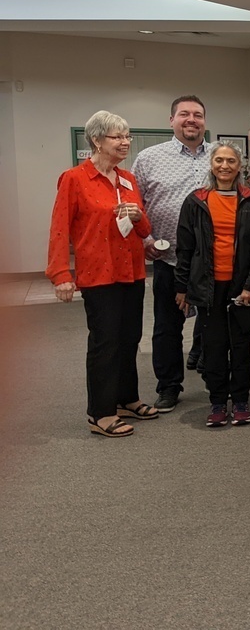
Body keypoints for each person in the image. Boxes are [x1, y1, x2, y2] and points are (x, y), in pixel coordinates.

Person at [47, 111, 156, 437]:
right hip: (99, 274)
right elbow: (59, 227)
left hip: (133, 271)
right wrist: (60, 274)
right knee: (105, 343)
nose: (125, 143)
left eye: (127, 137)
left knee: (130, 339)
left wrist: (138, 216)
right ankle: (100, 413)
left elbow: (145, 230)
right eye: (117, 137)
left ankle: (126, 399)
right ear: (96, 140)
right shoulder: (75, 178)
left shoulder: (128, 179)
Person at [174, 143, 250, 427]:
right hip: (207, 289)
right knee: (214, 348)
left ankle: (240, 400)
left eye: (230, 160)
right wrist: (182, 288)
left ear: (240, 166)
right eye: (219, 160)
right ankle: (217, 402)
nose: (224, 166)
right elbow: (185, 249)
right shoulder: (196, 201)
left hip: (241, 289)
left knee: (239, 347)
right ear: (211, 164)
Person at [132, 95, 210, 412]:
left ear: (205, 120)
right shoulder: (149, 158)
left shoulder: (220, 156)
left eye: (198, 115)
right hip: (169, 259)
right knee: (167, 329)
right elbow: (134, 205)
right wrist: (145, 239)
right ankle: (169, 387)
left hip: (210, 261)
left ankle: (219, 383)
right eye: (184, 114)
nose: (191, 119)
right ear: (172, 120)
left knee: (214, 324)